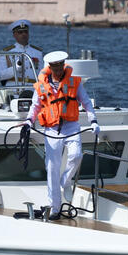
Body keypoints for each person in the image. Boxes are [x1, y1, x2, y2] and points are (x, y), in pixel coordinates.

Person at [25, 52, 99, 221]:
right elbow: (35, 106)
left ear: (64, 64)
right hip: (51, 129)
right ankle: (55, 208)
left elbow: (86, 102)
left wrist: (93, 120)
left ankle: (66, 181)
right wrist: (29, 121)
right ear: (49, 67)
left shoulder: (74, 82)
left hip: (71, 126)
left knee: (76, 155)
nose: (58, 69)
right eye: (54, 66)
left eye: (60, 65)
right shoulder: (41, 85)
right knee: (52, 168)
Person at [0, 19, 42, 93]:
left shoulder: (37, 52)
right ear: (14, 35)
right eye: (20, 32)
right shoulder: (7, 52)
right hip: (14, 90)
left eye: (26, 32)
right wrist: (15, 69)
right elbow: (0, 75)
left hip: (33, 90)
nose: (23, 34)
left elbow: (41, 74)